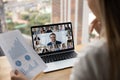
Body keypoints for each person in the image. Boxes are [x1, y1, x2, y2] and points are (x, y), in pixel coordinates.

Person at [10, 0, 120, 80]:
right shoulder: (48, 44)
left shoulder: (92, 56)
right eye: (51, 37)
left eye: (54, 37)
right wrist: (105, 32)